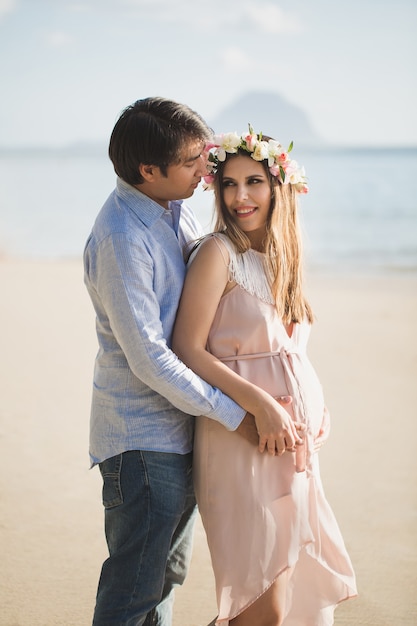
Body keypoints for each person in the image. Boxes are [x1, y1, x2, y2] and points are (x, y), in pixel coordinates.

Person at [83, 100, 301, 626]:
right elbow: (152, 359)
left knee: (163, 579)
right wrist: (239, 414)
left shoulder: (167, 211)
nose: (207, 172)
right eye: (192, 163)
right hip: (142, 440)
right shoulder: (123, 238)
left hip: (178, 432)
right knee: (135, 587)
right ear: (148, 171)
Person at [172, 127, 358, 625]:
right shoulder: (217, 253)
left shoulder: (284, 259)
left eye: (253, 181)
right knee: (261, 605)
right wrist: (264, 405)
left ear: (279, 186)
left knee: (289, 598)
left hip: (293, 448)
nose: (240, 197)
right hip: (242, 440)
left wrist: (317, 407)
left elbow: (293, 354)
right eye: (229, 184)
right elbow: (187, 349)